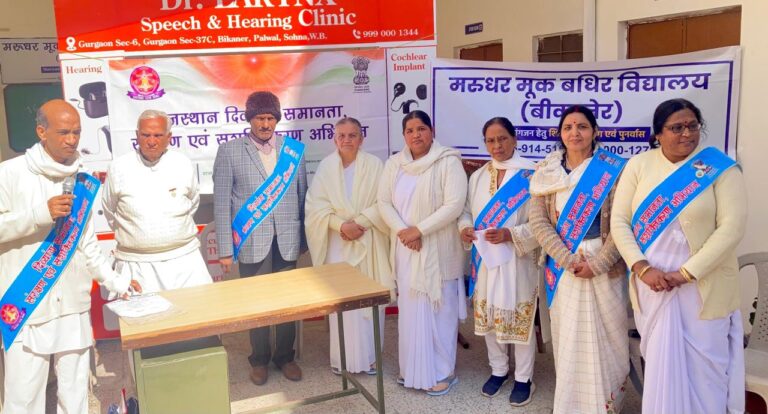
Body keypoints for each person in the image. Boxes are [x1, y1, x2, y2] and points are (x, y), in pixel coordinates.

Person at [0, 100, 140, 414]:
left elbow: (87, 244)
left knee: (75, 394)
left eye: (76, 132)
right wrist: (38, 215)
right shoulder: (9, 174)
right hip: (27, 303)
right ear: (41, 132)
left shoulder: (81, 179)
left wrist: (117, 282)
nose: (72, 139)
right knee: (23, 398)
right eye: (64, 132)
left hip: (73, 305)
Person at [611, 99, 747, 414]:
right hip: (653, 287)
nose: (687, 133)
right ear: (658, 134)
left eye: (692, 126)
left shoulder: (719, 167)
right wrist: (642, 268)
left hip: (704, 289)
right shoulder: (639, 165)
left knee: (707, 371)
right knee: (661, 366)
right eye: (676, 128)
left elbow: (732, 228)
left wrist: (685, 273)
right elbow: (620, 221)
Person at [528, 105, 629, 413]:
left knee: (609, 336)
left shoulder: (613, 169)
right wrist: (567, 259)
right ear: (560, 134)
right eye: (568, 127)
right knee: (570, 337)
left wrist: (598, 264)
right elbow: (538, 222)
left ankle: (607, 406)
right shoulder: (546, 171)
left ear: (594, 131)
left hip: (605, 266)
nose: (575, 133)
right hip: (564, 268)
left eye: (582, 126)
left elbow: (623, 222)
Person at [213, 91, 307, 385]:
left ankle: (285, 357)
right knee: (257, 303)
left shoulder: (293, 150)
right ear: (249, 119)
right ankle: (260, 359)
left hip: (288, 239)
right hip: (252, 240)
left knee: (288, 302)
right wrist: (225, 250)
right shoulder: (229, 151)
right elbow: (221, 203)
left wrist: (304, 240)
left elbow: (302, 196)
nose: (265, 124)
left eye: (270, 118)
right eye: (259, 118)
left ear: (277, 119)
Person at [377, 110, 467, 396]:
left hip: (439, 248)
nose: (416, 135)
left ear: (432, 131)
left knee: (441, 311)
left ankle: (443, 372)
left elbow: (454, 205)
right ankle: (412, 370)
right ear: (404, 135)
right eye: (410, 130)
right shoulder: (395, 163)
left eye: (421, 129)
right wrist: (405, 232)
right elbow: (383, 202)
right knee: (410, 310)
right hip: (406, 248)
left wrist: (420, 230)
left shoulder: (448, 161)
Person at [458, 117, 540, 406]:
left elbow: (542, 224)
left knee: (519, 319)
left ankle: (524, 378)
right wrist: (465, 228)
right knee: (490, 316)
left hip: (519, 260)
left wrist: (510, 234)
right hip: (486, 262)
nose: (497, 145)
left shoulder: (532, 174)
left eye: (503, 138)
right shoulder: (479, 177)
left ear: (515, 139)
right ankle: (499, 370)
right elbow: (466, 212)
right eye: (491, 140)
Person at [305, 117, 395, 375]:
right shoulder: (326, 166)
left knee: (368, 300)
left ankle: (370, 358)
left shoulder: (375, 165)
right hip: (338, 242)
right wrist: (341, 226)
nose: (347, 140)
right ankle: (342, 360)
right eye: (342, 135)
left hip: (368, 239)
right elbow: (315, 207)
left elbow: (384, 202)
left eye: (352, 135)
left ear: (361, 138)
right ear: (335, 139)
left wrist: (360, 223)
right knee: (342, 301)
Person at [102, 110, 212, 293]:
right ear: (137, 135)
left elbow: (192, 202)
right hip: (137, 265)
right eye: (146, 135)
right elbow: (109, 210)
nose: (151, 141)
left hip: (186, 261)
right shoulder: (118, 168)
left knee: (199, 308)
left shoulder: (182, 163)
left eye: (158, 135)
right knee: (142, 312)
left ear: (169, 137)